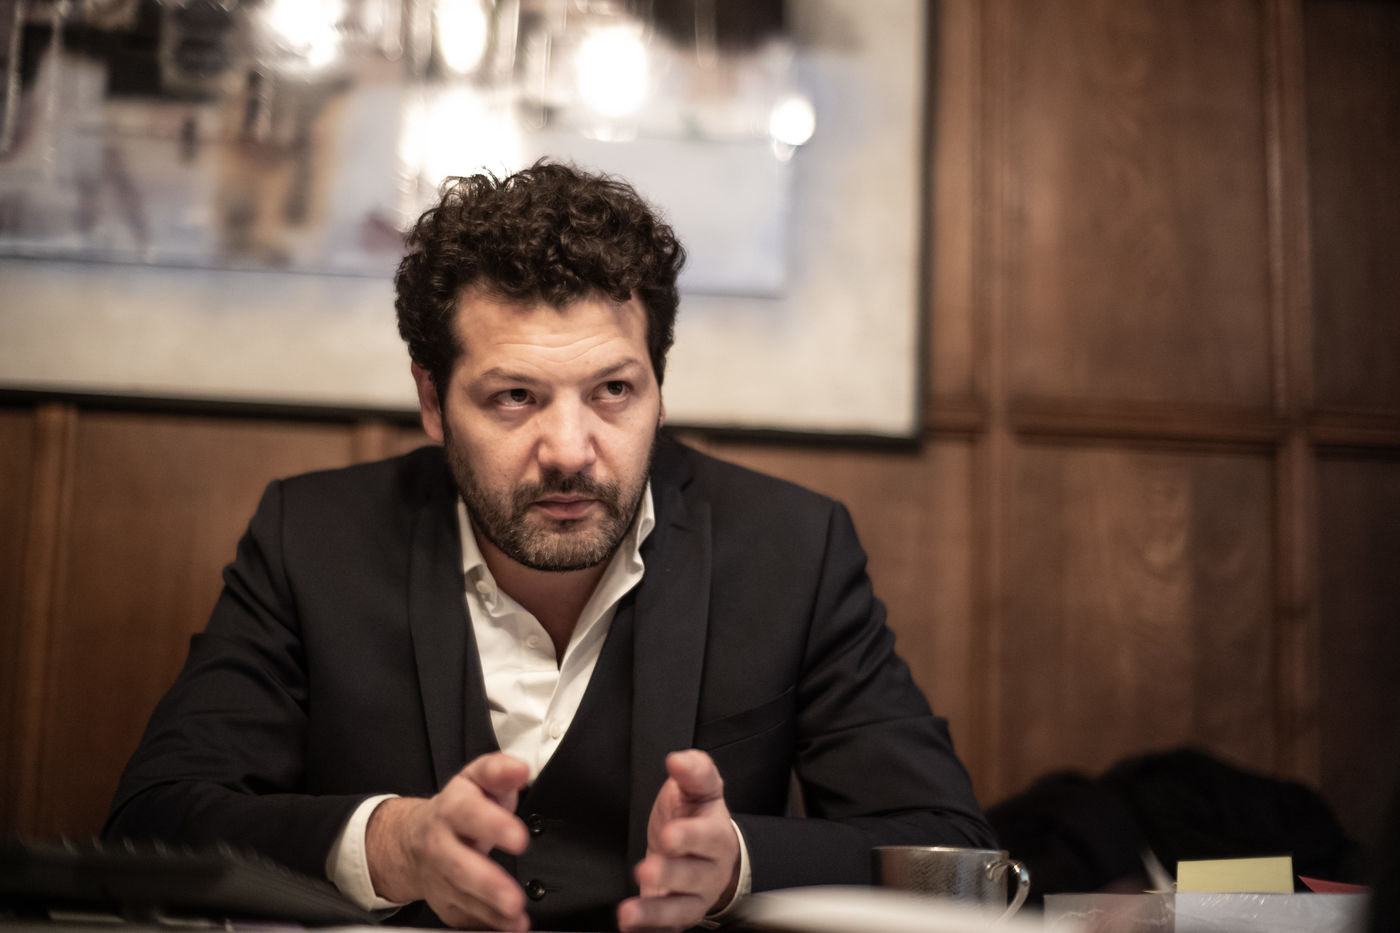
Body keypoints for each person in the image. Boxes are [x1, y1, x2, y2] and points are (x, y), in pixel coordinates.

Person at [105, 161, 995, 931]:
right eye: (515, 397)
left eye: (613, 390)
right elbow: (151, 821)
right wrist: (392, 845)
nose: (570, 450)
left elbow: (957, 857)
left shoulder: (793, 551)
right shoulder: (312, 539)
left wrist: (740, 865)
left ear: (659, 385)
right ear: (431, 399)